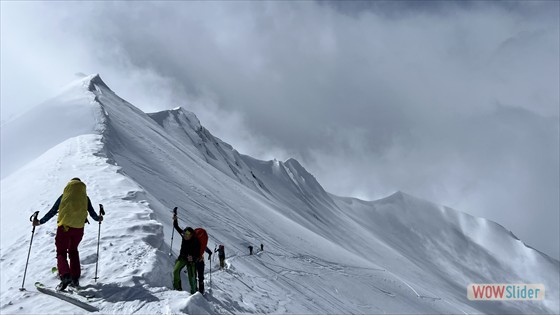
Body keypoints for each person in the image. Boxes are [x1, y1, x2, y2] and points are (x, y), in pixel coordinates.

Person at [32, 178, 103, 290]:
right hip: (79, 229)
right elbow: (93, 215)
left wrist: (40, 222)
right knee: (73, 251)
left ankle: (65, 275)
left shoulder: (64, 196)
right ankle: (75, 278)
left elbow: (52, 211)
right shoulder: (85, 198)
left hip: (64, 228)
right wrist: (99, 218)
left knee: (61, 251)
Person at [172, 213, 199, 294]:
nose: (184, 236)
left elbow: (197, 254)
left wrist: (193, 258)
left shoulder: (195, 242)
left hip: (191, 261)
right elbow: (176, 227)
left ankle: (194, 293)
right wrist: (175, 219)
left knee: (192, 278)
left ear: (191, 235)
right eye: (184, 234)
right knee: (175, 271)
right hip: (183, 258)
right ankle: (177, 289)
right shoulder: (184, 236)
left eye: (187, 235)